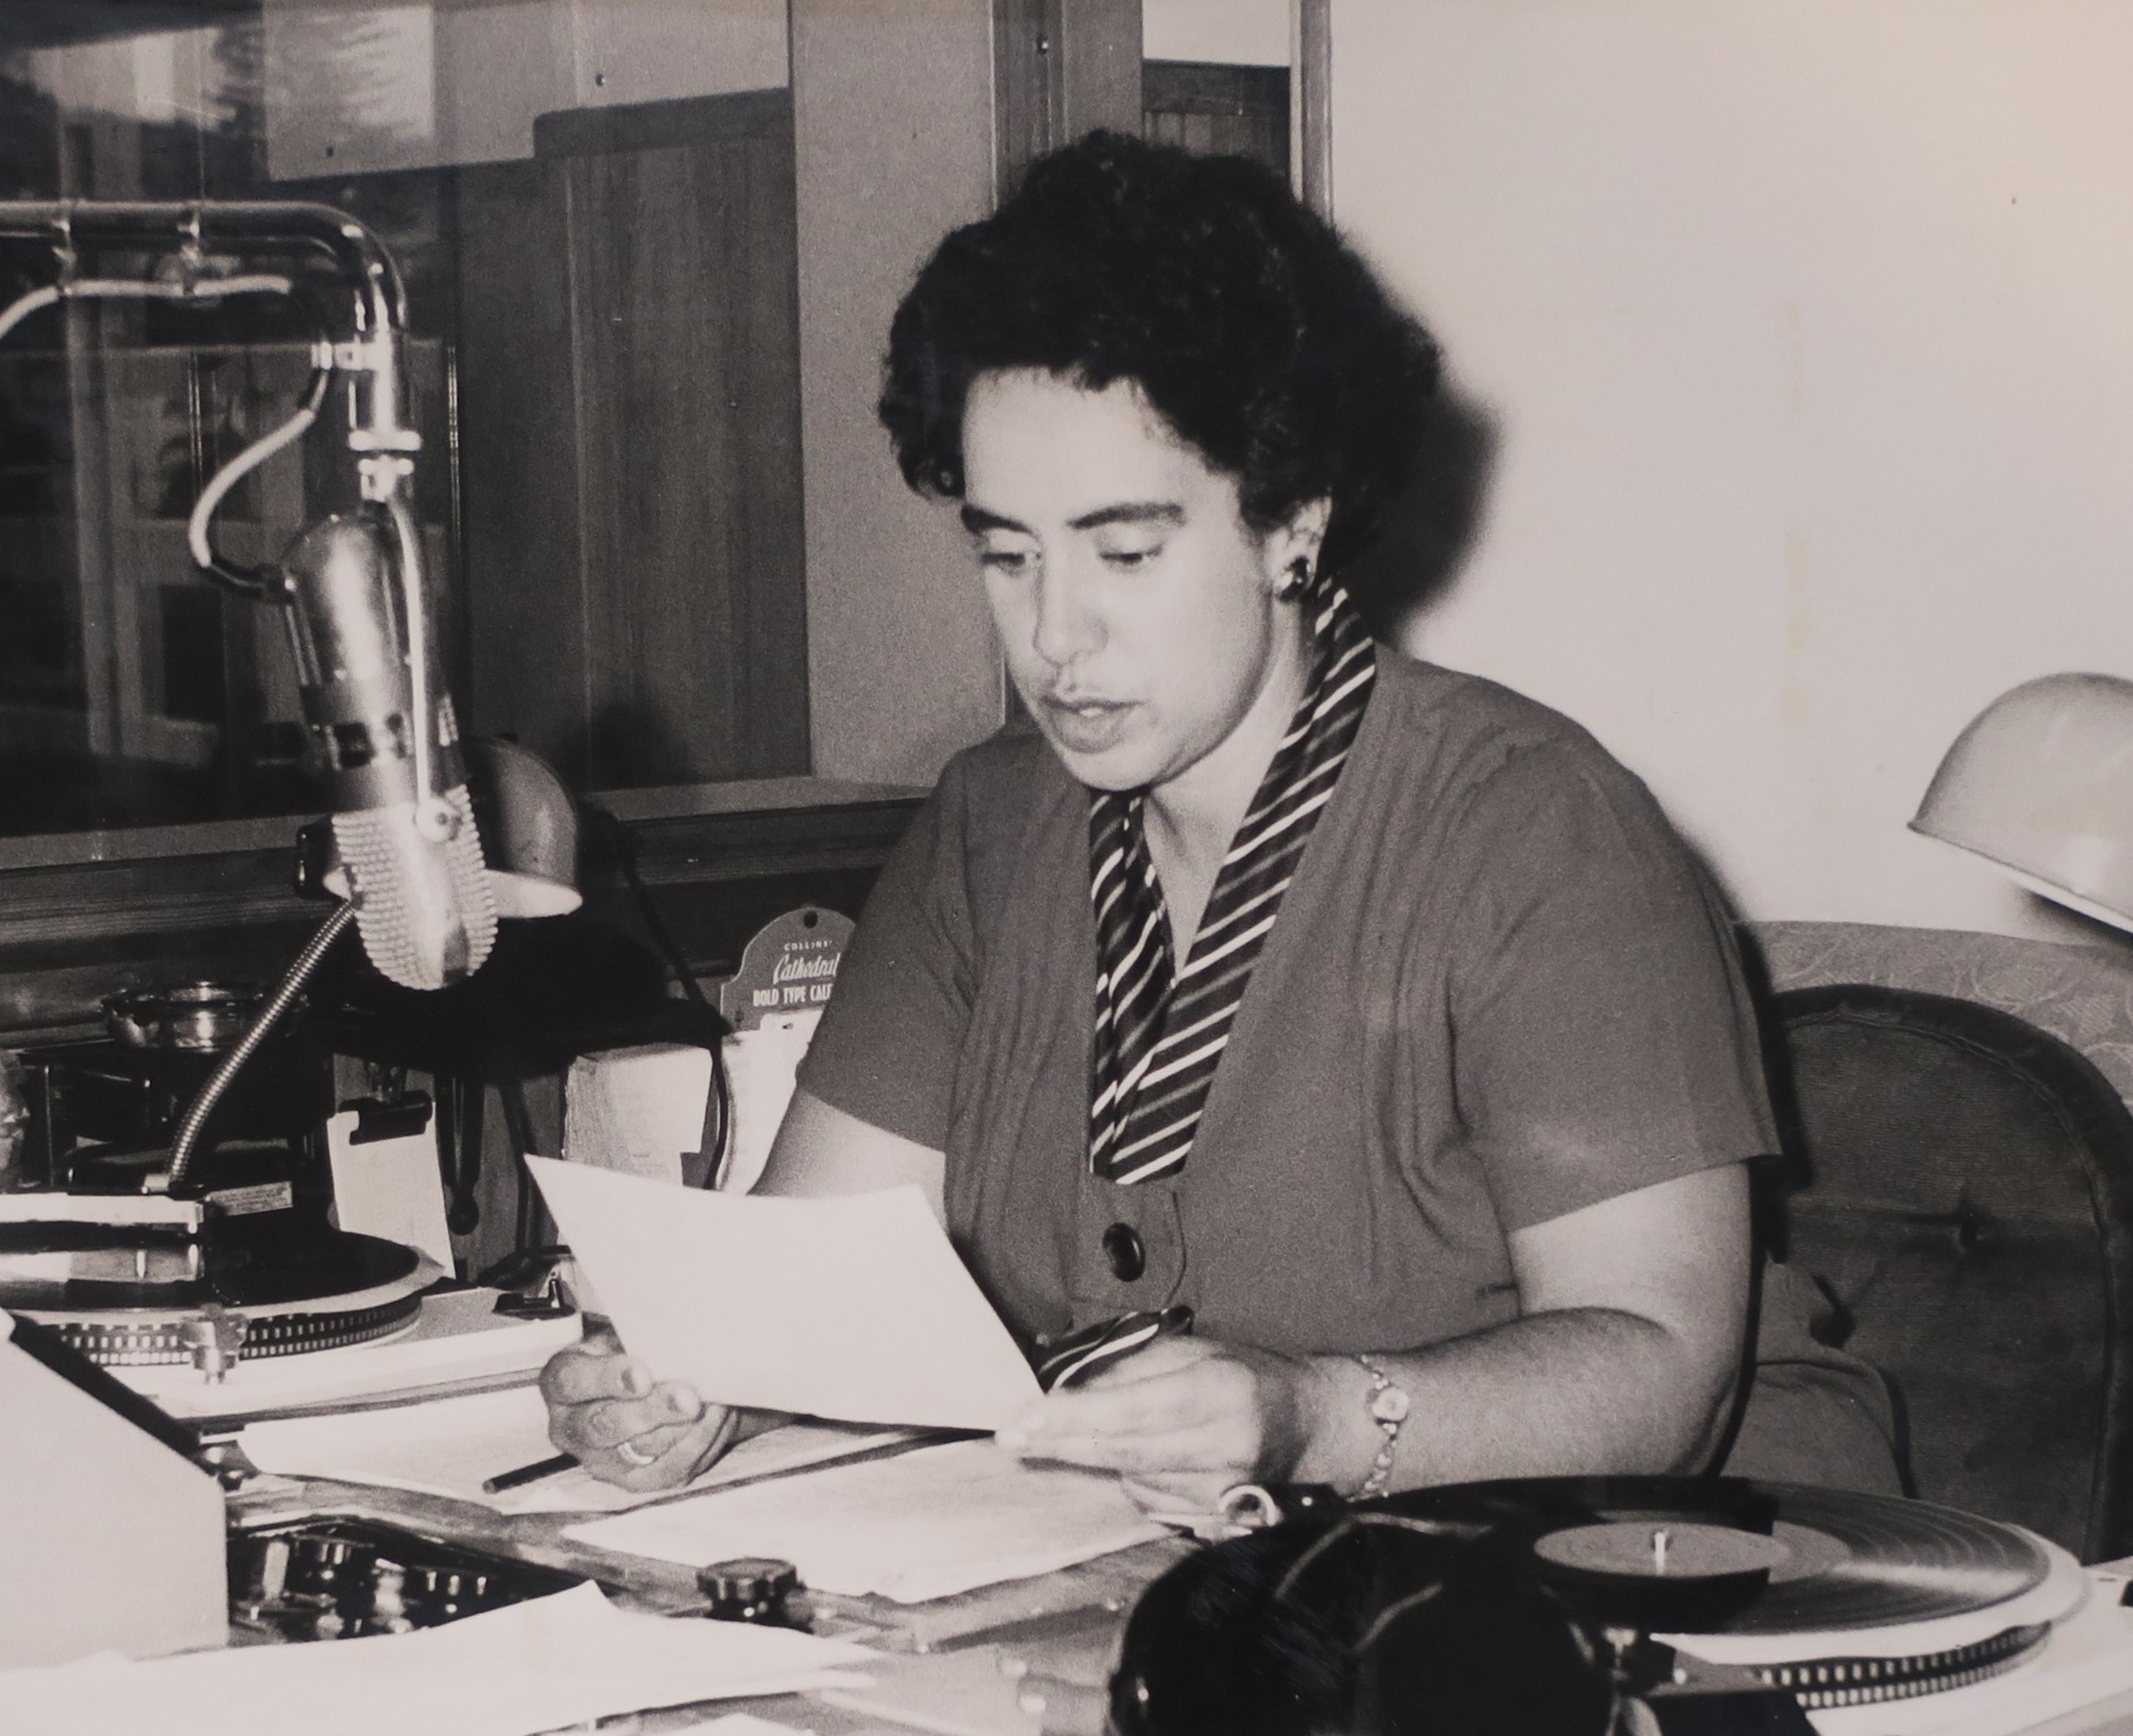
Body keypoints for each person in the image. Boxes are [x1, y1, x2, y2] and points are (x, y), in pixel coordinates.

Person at [541, 132, 1897, 1512]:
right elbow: (802, 1274)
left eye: (1124, 552)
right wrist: (685, 1382)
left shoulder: (1536, 833)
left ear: (1288, 522)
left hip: (1637, 1563)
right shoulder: (988, 828)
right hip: (1194, 1575)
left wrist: (1304, 1419)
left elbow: (1661, 1369)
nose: (1054, 634)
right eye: (1006, 555)